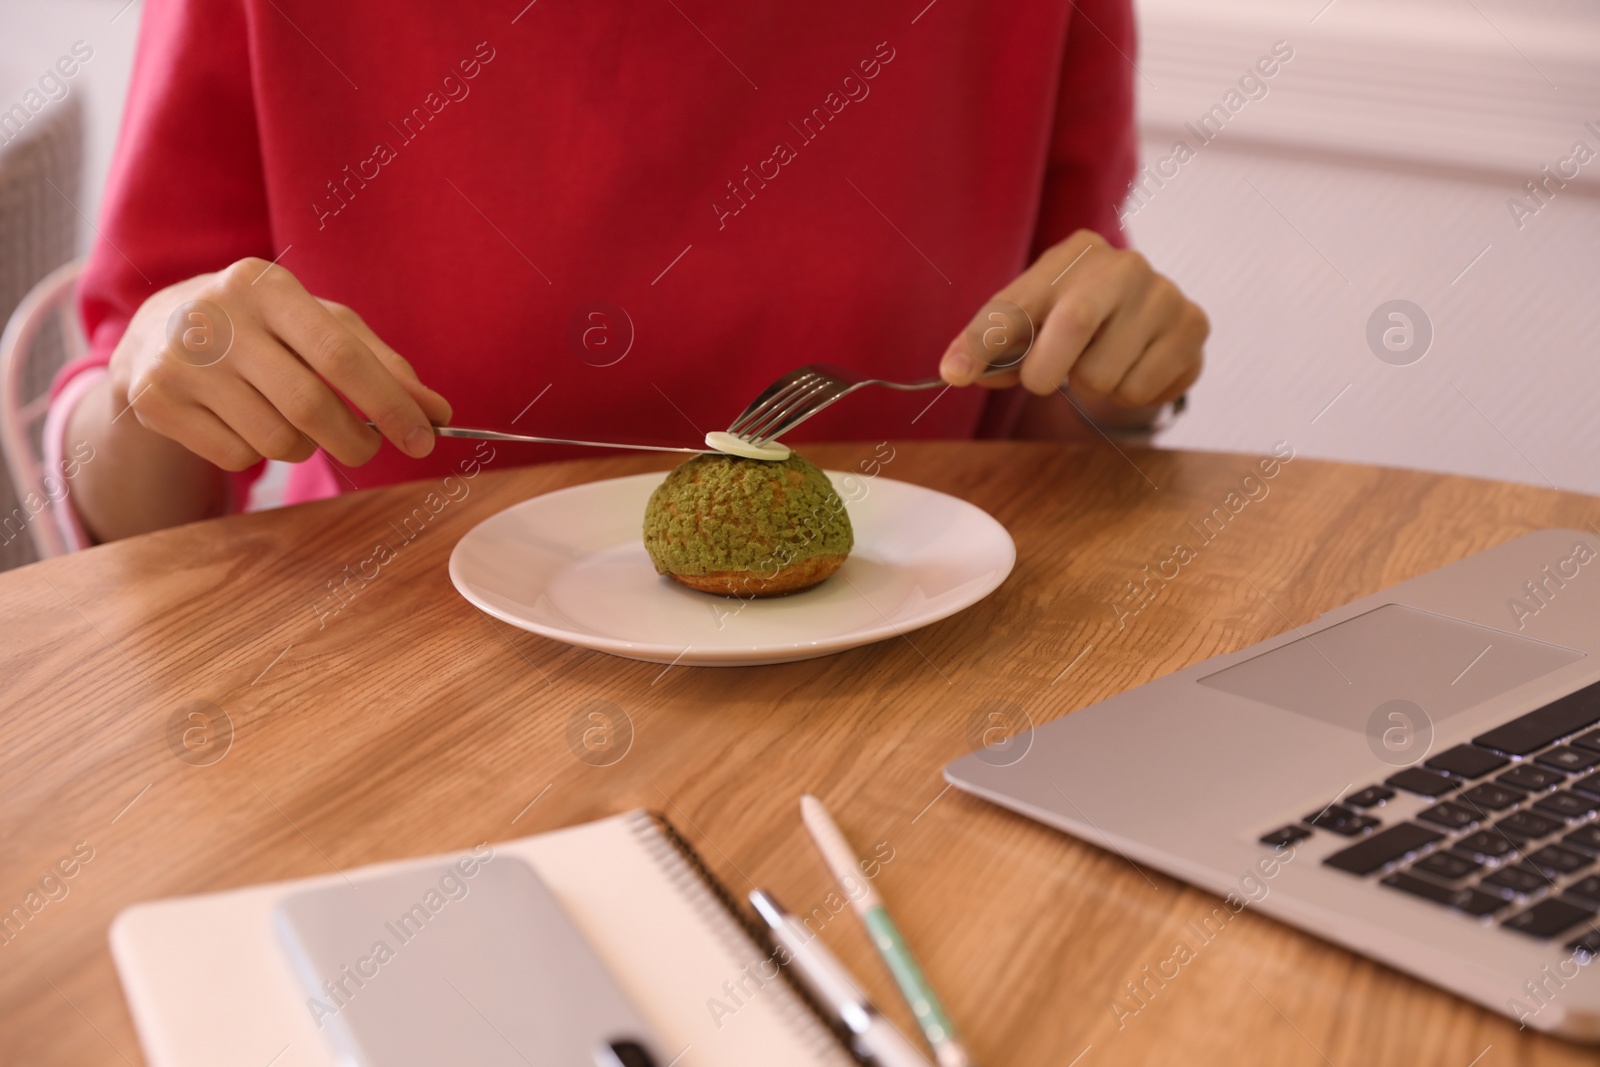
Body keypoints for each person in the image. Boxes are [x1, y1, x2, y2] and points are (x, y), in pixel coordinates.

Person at [50, 0, 1206, 545]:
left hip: (904, 686)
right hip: (391, 697)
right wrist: (153, 382)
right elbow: (124, 510)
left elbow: (1044, 444)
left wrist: (1110, 384)